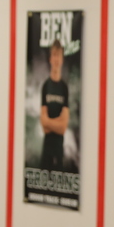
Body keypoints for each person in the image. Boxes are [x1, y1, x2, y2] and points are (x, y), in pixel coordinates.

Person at [40, 39, 69, 171]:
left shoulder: (64, 88)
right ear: (50, 59)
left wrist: (49, 122)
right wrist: (56, 122)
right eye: (54, 55)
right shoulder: (46, 86)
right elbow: (43, 125)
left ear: (62, 59)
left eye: (59, 55)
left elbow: (63, 127)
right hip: (46, 149)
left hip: (59, 149)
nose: (56, 59)